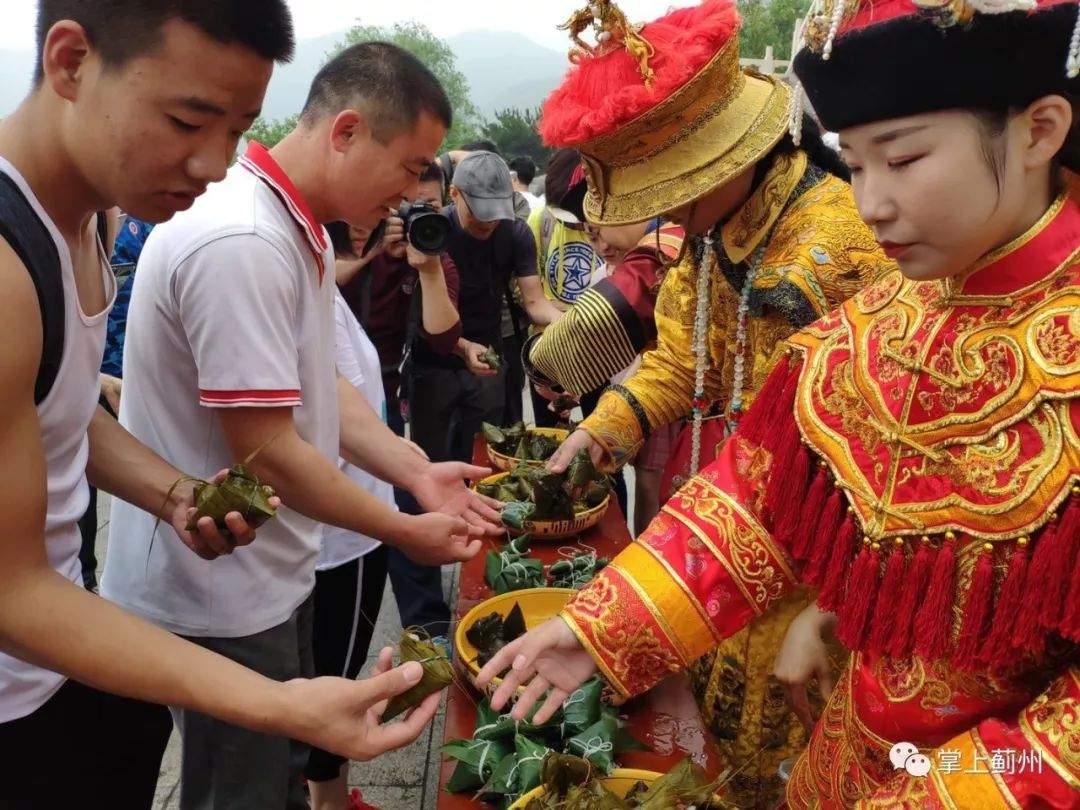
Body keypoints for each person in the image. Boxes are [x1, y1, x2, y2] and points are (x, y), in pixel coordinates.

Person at [481, 0, 1080, 807]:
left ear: (1040, 131)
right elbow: (758, 494)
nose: (872, 204)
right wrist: (602, 629)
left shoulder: (840, 259)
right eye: (856, 163)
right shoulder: (877, 322)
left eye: (902, 161)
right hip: (848, 748)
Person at [0, 3, 448, 807]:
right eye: (187, 119)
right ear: (69, 63)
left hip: (72, 667)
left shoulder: (89, 219)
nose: (214, 164)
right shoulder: (12, 266)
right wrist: (279, 702)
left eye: (239, 130)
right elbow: (12, 591)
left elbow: (61, 415)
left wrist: (176, 495)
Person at [504, 2, 890, 805]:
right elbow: (677, 359)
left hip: (824, 568)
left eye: (672, 192)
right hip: (727, 531)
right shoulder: (715, 239)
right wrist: (604, 432)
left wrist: (829, 601)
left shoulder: (840, 243)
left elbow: (875, 454)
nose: (666, 214)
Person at [100, 42, 500, 808]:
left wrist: (411, 472)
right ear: (346, 131)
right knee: (238, 790)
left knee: (279, 775)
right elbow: (270, 450)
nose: (420, 190)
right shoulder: (244, 241)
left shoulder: (298, 226)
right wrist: (400, 527)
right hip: (218, 591)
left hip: (271, 572)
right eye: (413, 165)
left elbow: (327, 387)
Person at [336, 166, 465, 646]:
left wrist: (427, 267)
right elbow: (318, 281)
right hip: (346, 390)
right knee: (374, 499)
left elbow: (444, 332)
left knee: (410, 493)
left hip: (402, 388)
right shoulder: (347, 244)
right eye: (399, 208)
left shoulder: (434, 254)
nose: (411, 218)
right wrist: (369, 252)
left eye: (426, 210)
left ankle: (426, 621)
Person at [524, 212, 685, 533]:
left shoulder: (668, 246)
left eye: (599, 232)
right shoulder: (662, 245)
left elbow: (627, 304)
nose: (600, 245)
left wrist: (547, 368)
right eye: (590, 236)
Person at [407, 151, 563, 467]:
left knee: (485, 460)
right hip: (434, 361)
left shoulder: (516, 233)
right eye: (480, 211)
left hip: (488, 360)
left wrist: (573, 324)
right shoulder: (430, 229)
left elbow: (535, 303)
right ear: (454, 194)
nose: (489, 221)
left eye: (496, 211)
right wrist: (462, 347)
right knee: (432, 463)